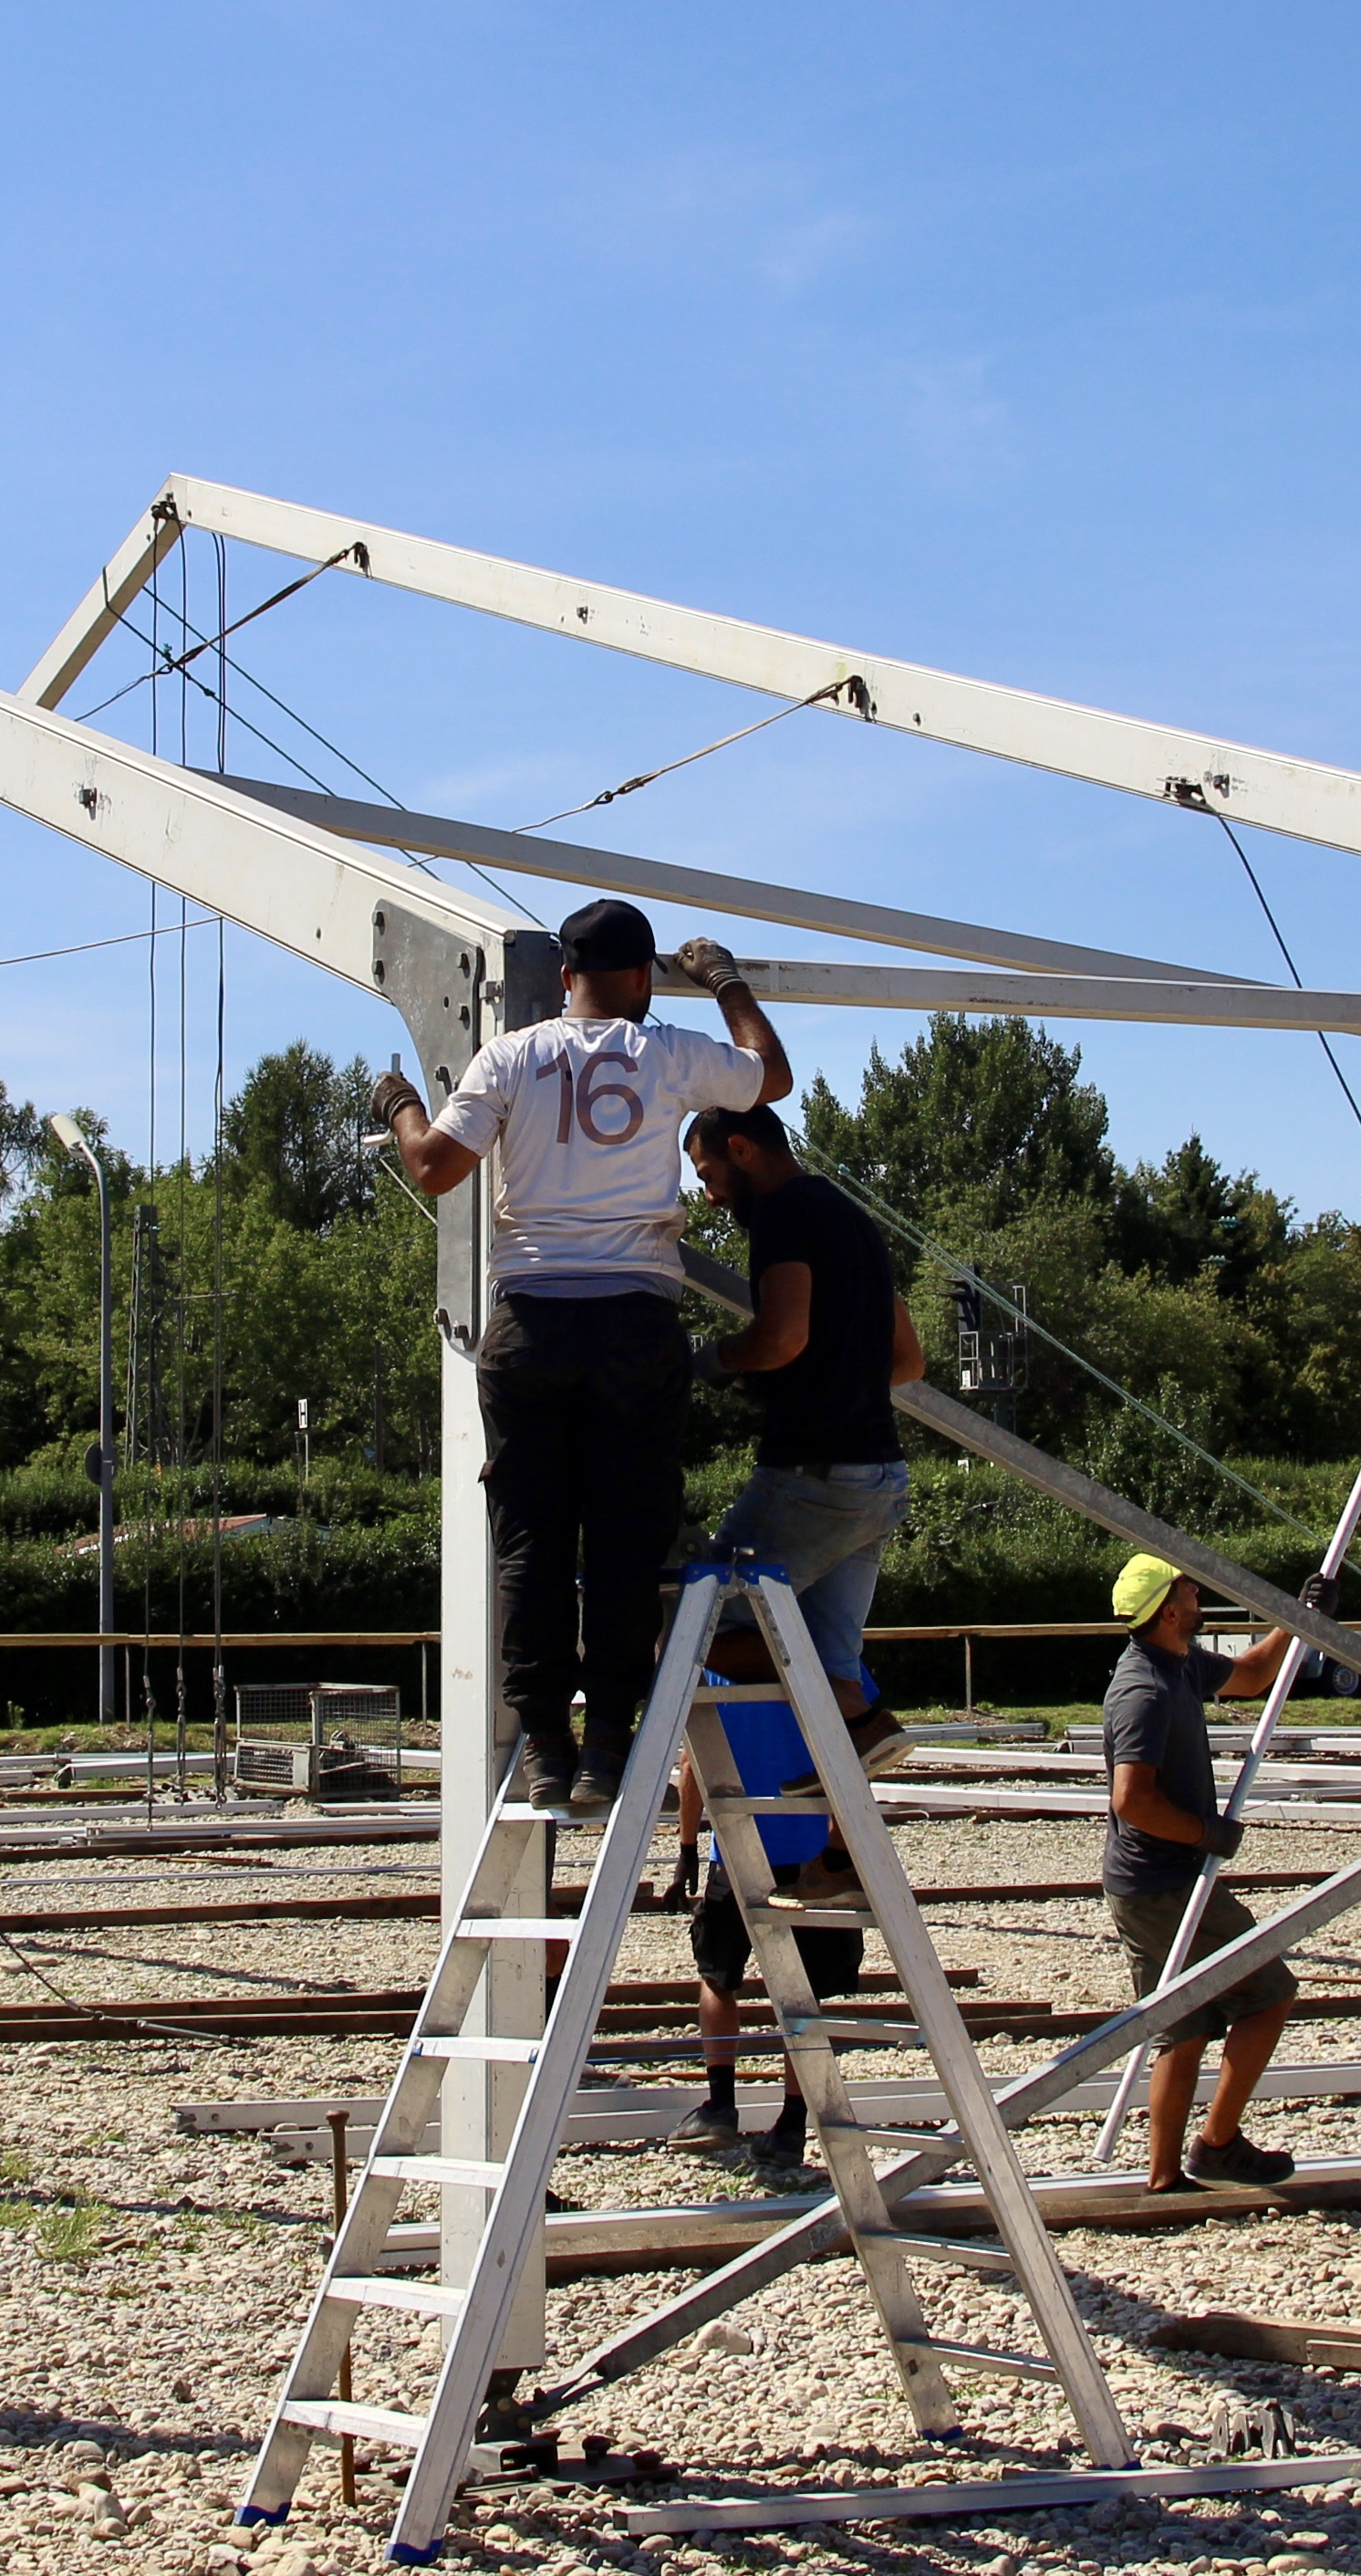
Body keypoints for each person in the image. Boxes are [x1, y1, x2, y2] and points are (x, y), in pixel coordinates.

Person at [379, 898, 790, 1813]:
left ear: (565, 977)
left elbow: (437, 1168)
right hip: (634, 1320)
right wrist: (726, 982)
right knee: (624, 1539)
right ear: (643, 979)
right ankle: (608, 1744)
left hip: (529, 1318)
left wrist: (403, 1104)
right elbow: (772, 1076)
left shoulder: (512, 1056)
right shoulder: (667, 1051)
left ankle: (545, 1751)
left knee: (529, 1542)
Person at [680, 1103, 921, 1770]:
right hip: (877, 1477)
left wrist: (717, 1358)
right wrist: (831, 1380)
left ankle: (857, 1708)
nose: (708, 1194)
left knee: (693, 1627)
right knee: (823, 1648)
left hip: (812, 1476)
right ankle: (836, 1860)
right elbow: (909, 1361)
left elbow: (781, 1336)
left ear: (741, 1148)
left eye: (708, 1172)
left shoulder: (783, 1213)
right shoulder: (854, 1221)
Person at [1101, 1552, 1302, 2192]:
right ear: (1168, 1610)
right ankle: (1216, 2143)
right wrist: (1206, 1833)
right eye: (1187, 1588)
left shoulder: (1180, 1666)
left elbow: (1252, 1674)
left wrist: (1296, 1621)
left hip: (1156, 1882)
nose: (1197, 1593)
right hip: (1163, 1883)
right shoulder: (1146, 1691)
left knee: (1182, 2025)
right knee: (1269, 1993)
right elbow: (1131, 1798)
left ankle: (1165, 2176)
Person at [669, 1671, 867, 2190]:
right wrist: (842, 1853)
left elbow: (693, 1764)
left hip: (733, 1849)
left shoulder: (710, 1667)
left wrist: (687, 1847)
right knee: (807, 1998)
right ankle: (791, 2127)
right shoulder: (818, 1657)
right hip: (810, 1860)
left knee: (718, 1978)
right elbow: (857, 1760)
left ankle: (720, 2104)